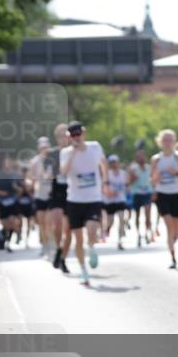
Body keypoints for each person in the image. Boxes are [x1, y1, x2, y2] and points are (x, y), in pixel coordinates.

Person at [59, 121, 109, 285]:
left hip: (93, 198)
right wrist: (73, 153)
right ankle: (83, 270)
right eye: (73, 135)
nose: (77, 137)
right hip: (74, 200)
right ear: (69, 137)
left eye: (79, 134)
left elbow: (103, 163)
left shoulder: (95, 147)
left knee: (92, 230)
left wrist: (105, 181)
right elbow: (63, 172)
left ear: (84, 133)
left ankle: (92, 246)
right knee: (77, 239)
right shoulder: (66, 153)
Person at [150, 129, 178, 269]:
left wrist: (177, 172)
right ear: (160, 142)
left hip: (177, 193)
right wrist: (156, 178)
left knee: (176, 227)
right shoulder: (156, 159)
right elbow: (152, 180)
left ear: (173, 142)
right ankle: (173, 258)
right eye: (165, 140)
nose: (167, 143)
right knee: (168, 226)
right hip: (163, 194)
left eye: (170, 140)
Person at [26, 138, 54, 258]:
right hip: (39, 195)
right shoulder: (34, 162)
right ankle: (45, 246)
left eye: (46, 147)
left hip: (51, 195)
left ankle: (51, 246)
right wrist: (30, 183)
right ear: (39, 148)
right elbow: (28, 177)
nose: (44, 149)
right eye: (42, 147)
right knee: (41, 223)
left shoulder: (54, 160)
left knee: (49, 223)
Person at [49, 124, 72, 273]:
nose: (63, 138)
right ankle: (58, 248)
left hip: (72, 193)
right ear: (56, 138)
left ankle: (63, 257)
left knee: (69, 230)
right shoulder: (52, 154)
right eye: (60, 136)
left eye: (65, 135)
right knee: (57, 225)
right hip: (57, 192)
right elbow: (46, 172)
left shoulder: (73, 152)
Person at [128, 147, 155, 247]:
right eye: (139, 157)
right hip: (137, 194)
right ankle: (139, 234)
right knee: (138, 216)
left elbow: (153, 180)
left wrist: (154, 191)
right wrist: (133, 178)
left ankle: (148, 233)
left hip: (147, 193)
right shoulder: (133, 169)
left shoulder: (149, 168)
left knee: (148, 214)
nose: (141, 158)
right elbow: (128, 182)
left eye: (142, 156)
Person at [103, 154, 130, 250]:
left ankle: (120, 240)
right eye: (112, 163)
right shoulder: (107, 174)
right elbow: (103, 186)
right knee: (111, 221)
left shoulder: (123, 173)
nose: (114, 164)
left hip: (120, 199)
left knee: (122, 219)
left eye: (115, 162)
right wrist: (109, 192)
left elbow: (127, 186)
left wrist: (123, 190)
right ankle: (107, 229)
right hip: (109, 201)